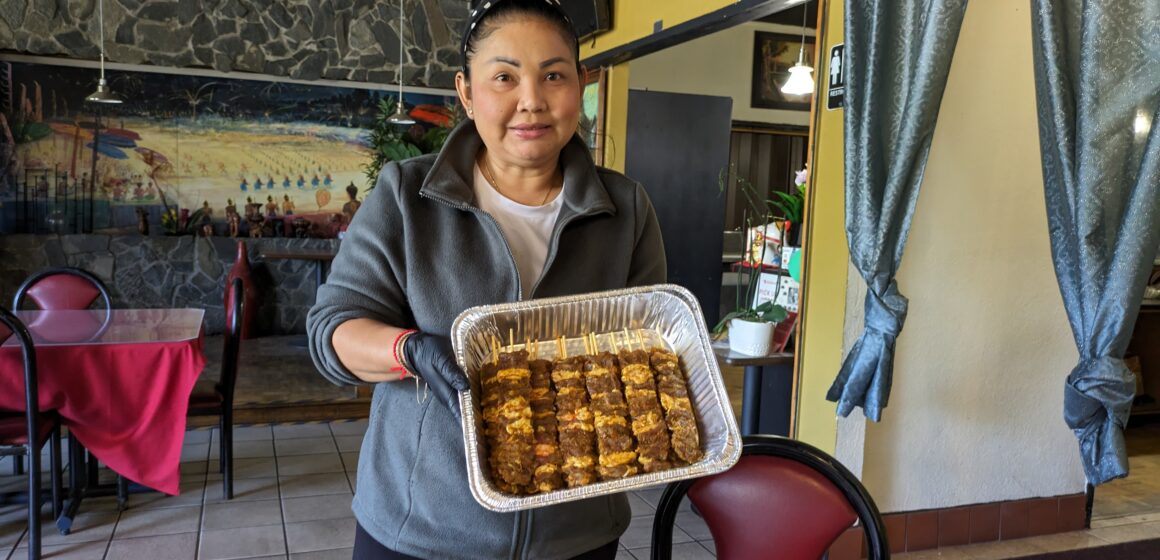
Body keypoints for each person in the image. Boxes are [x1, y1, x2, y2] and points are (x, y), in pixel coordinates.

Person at [306, 1, 665, 558]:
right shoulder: (406, 196)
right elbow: (332, 331)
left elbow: (650, 345)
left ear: (583, 83)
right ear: (467, 93)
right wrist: (411, 352)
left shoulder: (625, 207)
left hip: (575, 534)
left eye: (553, 75)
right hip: (422, 529)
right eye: (504, 77)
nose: (532, 101)